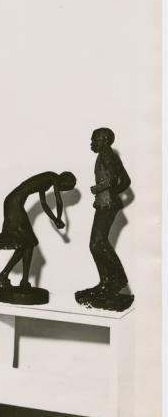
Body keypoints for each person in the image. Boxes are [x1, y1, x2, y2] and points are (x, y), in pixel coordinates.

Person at [0, 171, 76, 289]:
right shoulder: (53, 177)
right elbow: (59, 201)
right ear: (64, 181)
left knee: (27, 244)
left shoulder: (47, 180)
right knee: (28, 243)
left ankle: (13, 278)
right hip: (14, 204)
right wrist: (58, 218)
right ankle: (14, 278)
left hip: (12, 202)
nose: (62, 190)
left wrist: (55, 219)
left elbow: (44, 204)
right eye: (65, 188)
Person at [76, 127, 131, 301]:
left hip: (106, 205)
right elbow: (126, 181)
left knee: (97, 243)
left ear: (105, 140)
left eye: (95, 140)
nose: (92, 143)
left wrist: (99, 189)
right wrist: (113, 194)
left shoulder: (106, 155)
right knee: (97, 243)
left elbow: (114, 179)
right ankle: (106, 282)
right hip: (107, 203)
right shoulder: (109, 155)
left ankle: (116, 280)